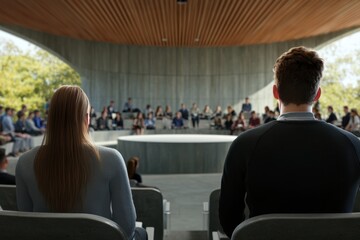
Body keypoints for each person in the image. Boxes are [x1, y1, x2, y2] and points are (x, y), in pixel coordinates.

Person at [219, 46, 360, 238]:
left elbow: (229, 220)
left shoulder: (244, 145)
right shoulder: (354, 145)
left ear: (275, 92)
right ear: (317, 94)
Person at [15, 85, 146, 240]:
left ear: (50, 118)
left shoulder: (24, 162)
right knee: (141, 233)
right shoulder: (111, 159)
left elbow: (27, 223)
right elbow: (127, 227)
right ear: (86, 118)